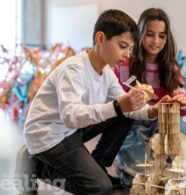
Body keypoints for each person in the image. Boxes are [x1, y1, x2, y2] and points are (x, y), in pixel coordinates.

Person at [15, 9, 167, 195]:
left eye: (129, 48)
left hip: (69, 130)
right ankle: (34, 166)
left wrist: (152, 110)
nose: (127, 54)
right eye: (122, 46)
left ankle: (97, 166)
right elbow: (71, 116)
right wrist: (118, 106)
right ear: (100, 38)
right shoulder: (74, 69)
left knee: (124, 115)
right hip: (47, 135)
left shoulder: (107, 72)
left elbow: (125, 106)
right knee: (99, 188)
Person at [114, 8, 186, 187]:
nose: (156, 41)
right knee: (137, 180)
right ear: (140, 33)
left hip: (160, 122)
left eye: (162, 36)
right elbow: (114, 100)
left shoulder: (171, 67)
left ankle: (164, 171)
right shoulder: (124, 63)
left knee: (185, 132)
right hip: (130, 123)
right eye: (150, 34)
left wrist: (184, 102)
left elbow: (182, 96)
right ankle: (125, 167)